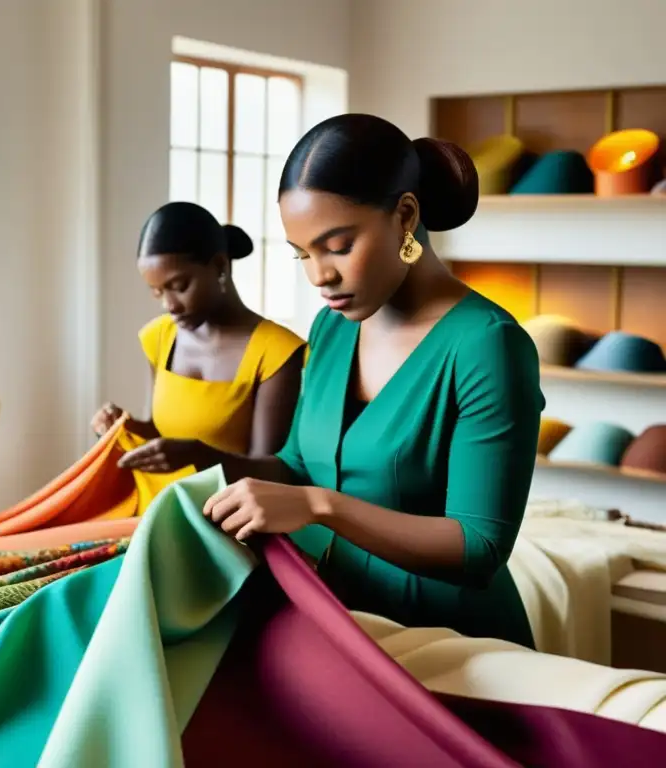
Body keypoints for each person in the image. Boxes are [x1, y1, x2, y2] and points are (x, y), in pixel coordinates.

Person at [199, 114, 544, 648]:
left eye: (337, 246)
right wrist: (193, 460)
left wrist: (321, 507)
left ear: (405, 216)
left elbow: (478, 547)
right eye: (303, 255)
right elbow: (295, 465)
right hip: (341, 625)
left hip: (455, 646)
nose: (319, 276)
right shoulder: (331, 329)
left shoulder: (487, 346)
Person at [93, 202, 305, 507]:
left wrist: (199, 455)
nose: (169, 304)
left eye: (179, 286)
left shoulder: (276, 352)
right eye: (157, 291)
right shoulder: (160, 336)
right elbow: (159, 428)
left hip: (227, 520)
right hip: (155, 508)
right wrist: (120, 426)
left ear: (220, 267)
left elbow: (270, 474)